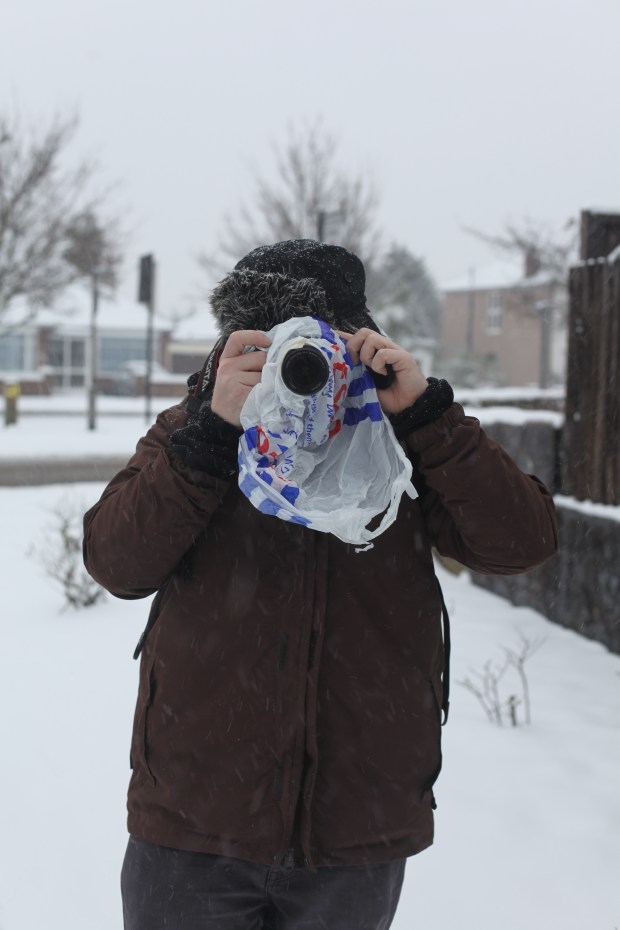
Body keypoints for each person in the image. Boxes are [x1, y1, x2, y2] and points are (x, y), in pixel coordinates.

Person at [83, 239, 558, 930]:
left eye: (318, 341)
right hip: (193, 821)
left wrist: (427, 418)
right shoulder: (199, 430)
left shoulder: (397, 443)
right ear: (233, 346)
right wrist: (211, 435)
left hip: (354, 829)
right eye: (270, 343)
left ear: (356, 341)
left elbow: (523, 542)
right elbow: (115, 562)